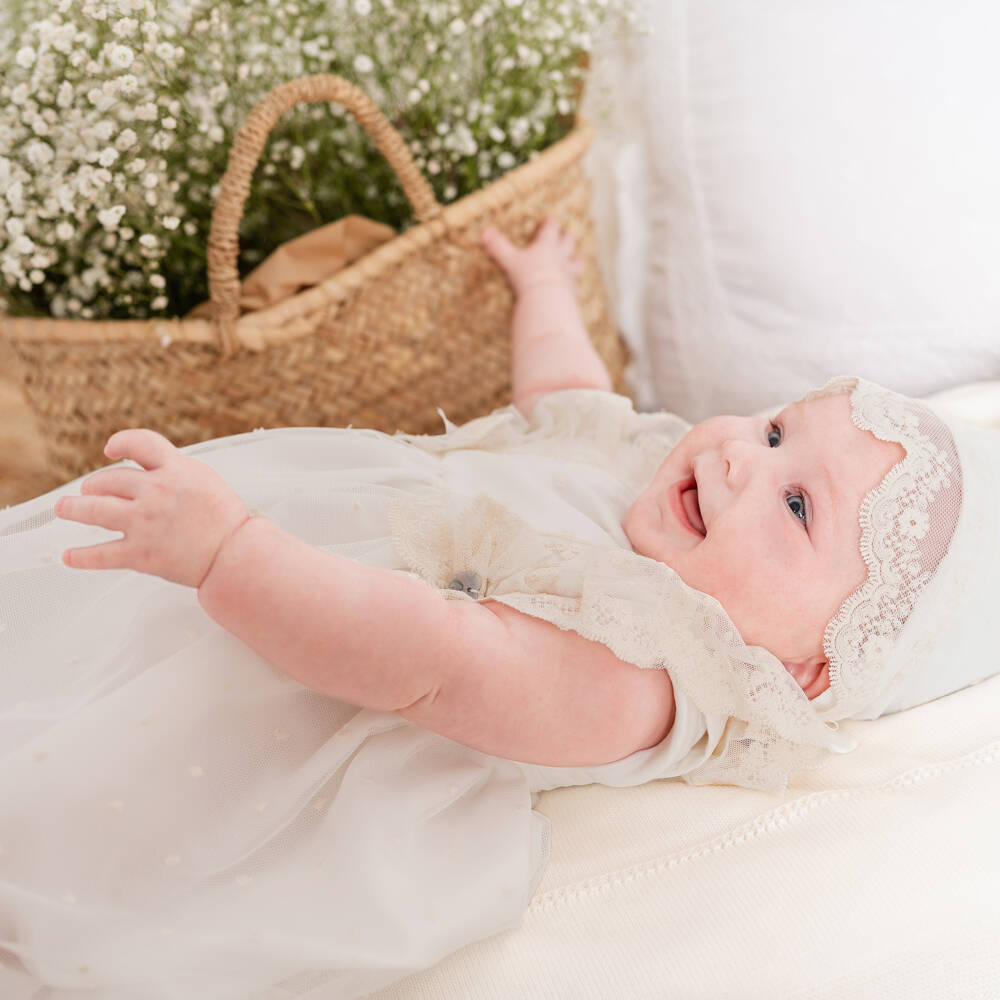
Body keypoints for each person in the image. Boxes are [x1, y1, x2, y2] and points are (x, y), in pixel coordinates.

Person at [0, 220, 996, 999]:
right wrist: (547, 290)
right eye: (778, 427)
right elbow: (565, 406)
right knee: (64, 627)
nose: (744, 454)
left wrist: (230, 553)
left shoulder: (651, 677)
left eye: (794, 503)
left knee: (84, 785)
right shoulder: (657, 489)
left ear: (802, 669)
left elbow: (441, 659)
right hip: (283, 570)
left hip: (302, 671)